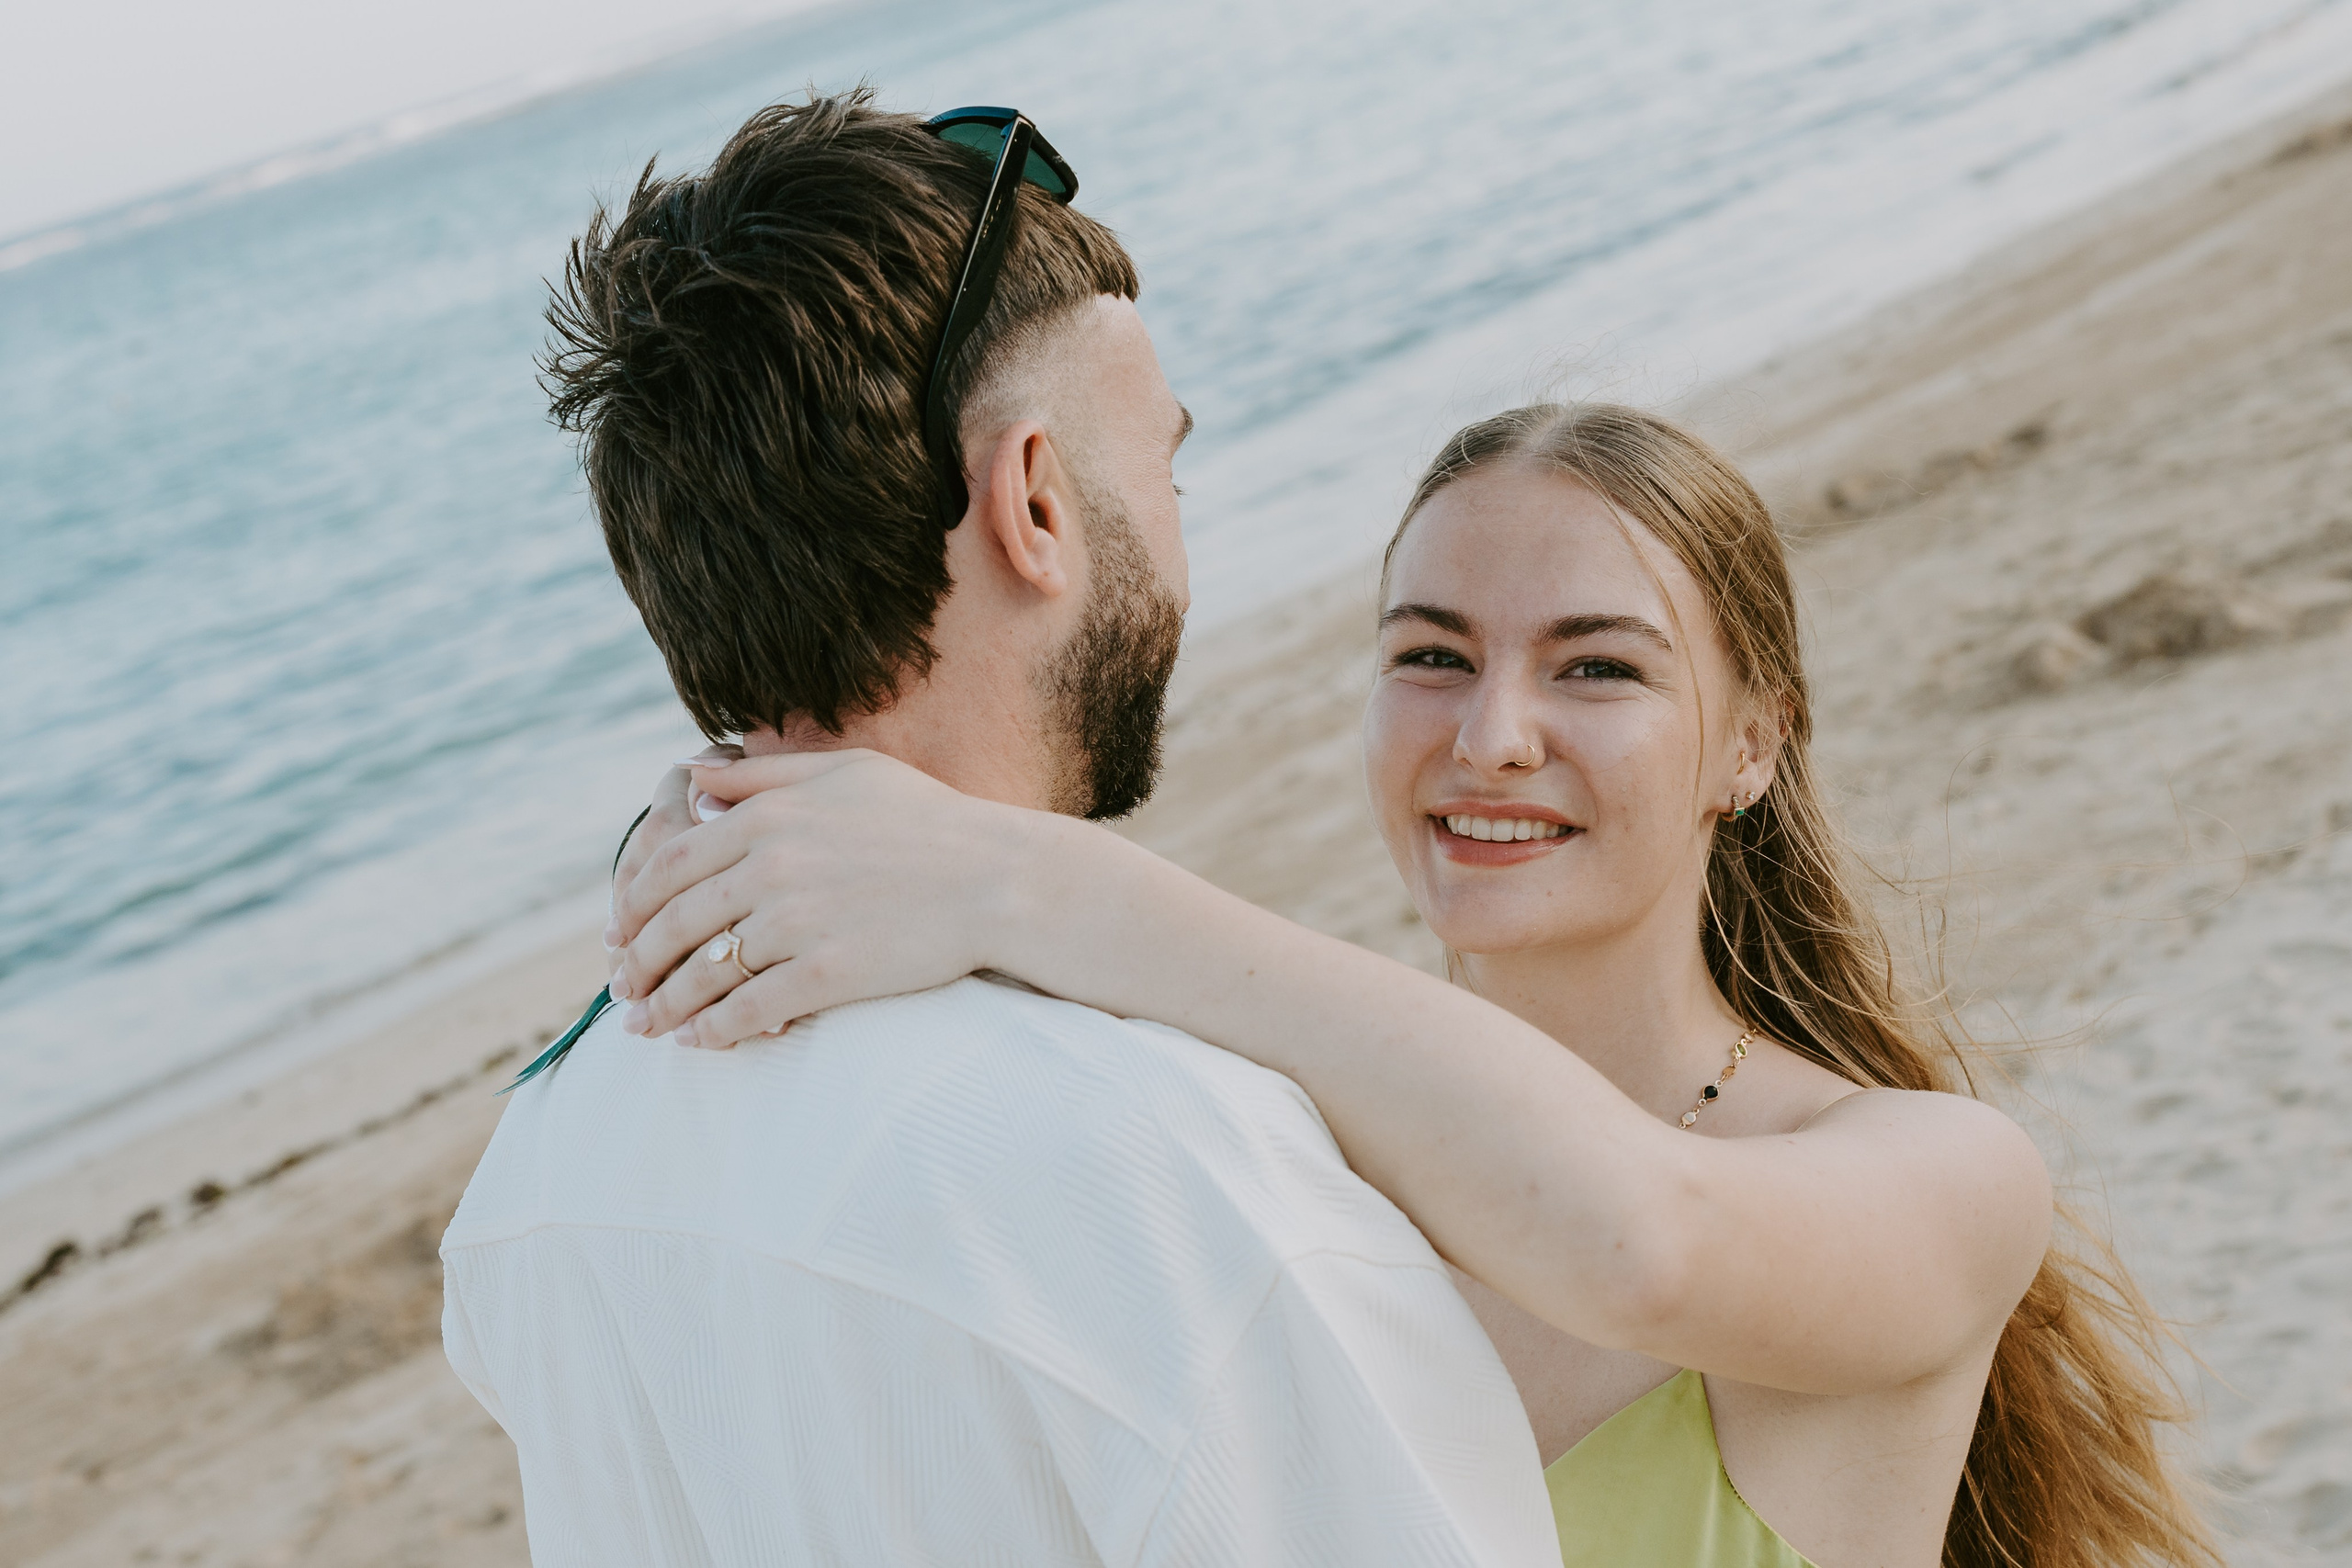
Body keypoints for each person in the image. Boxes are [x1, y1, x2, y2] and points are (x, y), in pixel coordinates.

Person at [605, 404, 2220, 1568]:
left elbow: (1639, 1248)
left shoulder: (1937, 1177)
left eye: (1598, 666)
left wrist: (1020, 876)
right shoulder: (1279, 1139)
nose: (1492, 732)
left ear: (1751, 740)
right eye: (1430, 654)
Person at [440, 91, 1565, 1566]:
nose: (1173, 519)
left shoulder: (539, 1173)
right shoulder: (1170, 1175)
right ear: (1035, 500)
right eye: (1161, 460)